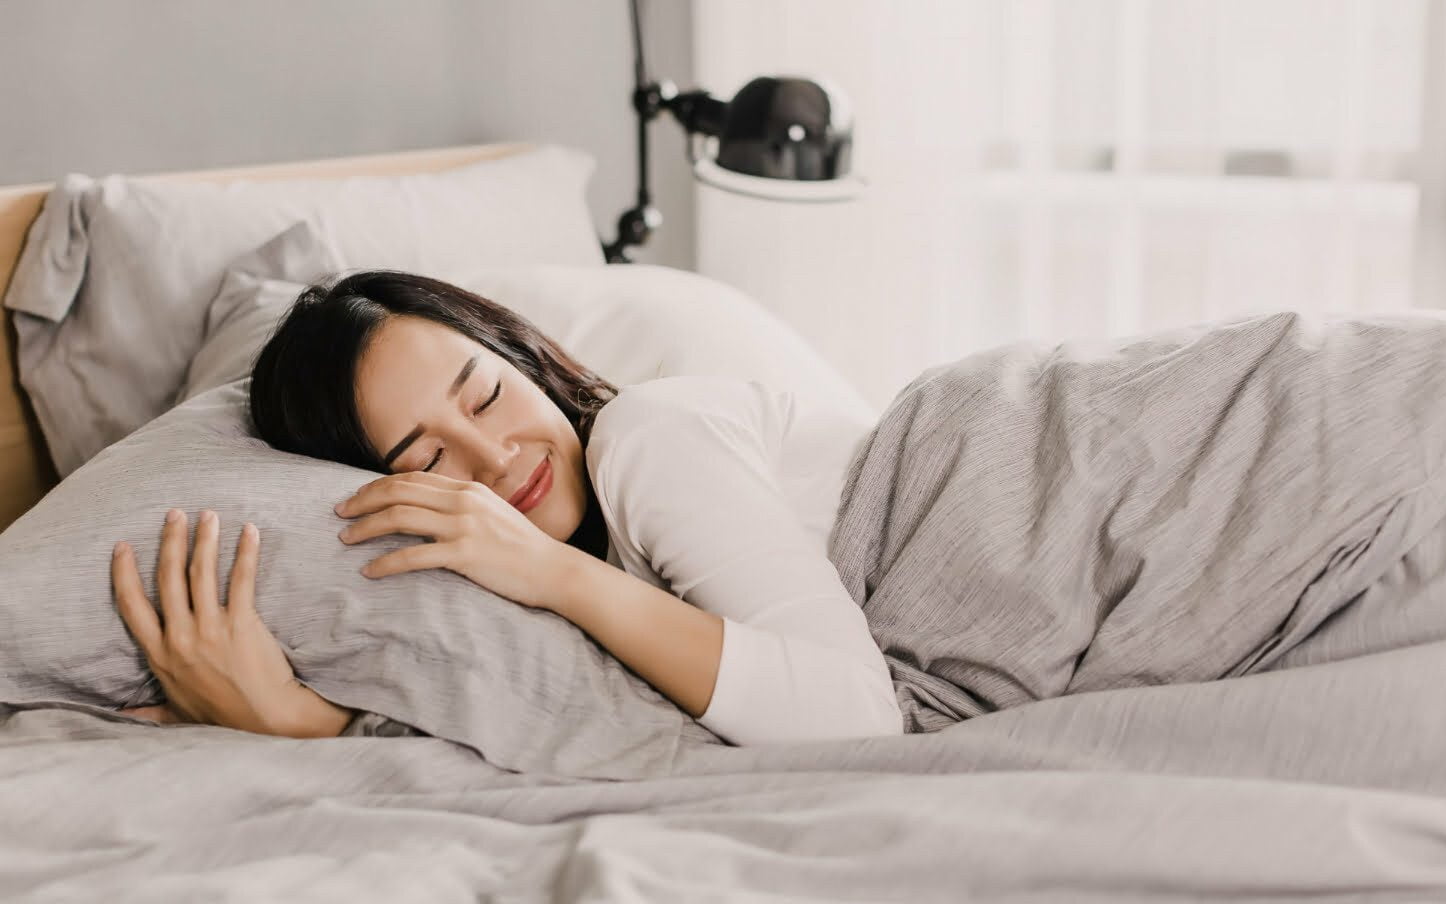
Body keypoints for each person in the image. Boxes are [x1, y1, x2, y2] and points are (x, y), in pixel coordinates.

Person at [109, 271, 904, 746]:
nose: (496, 459)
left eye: (486, 396)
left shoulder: (649, 436)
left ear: (523, 358)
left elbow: (858, 722)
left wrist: (552, 570)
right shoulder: (531, 614)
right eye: (427, 460)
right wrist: (303, 722)